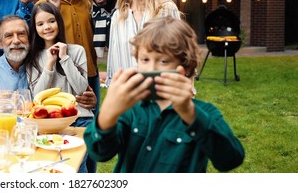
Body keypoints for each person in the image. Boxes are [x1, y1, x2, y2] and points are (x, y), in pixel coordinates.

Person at [84, 16, 245, 172]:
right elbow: (100, 153)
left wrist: (189, 112)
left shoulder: (205, 113)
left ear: (186, 66)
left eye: (163, 61)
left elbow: (230, 160)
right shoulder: (130, 110)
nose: (152, 68)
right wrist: (108, 113)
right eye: (145, 60)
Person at [37, 0, 103, 115]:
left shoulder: (86, 2)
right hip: (66, 73)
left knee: (92, 121)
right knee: (69, 119)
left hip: (91, 72)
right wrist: (54, 11)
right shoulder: (44, 5)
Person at [106, 0, 181, 87]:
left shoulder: (166, 9)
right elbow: (113, 58)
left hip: (159, 89)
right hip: (128, 91)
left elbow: (181, 52)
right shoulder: (118, 15)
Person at [25, 2, 90, 116]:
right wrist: (49, 64)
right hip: (49, 118)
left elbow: (81, 90)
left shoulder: (77, 51)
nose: (47, 27)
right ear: (35, 28)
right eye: (40, 24)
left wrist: (64, 58)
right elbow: (37, 96)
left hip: (79, 116)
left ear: (59, 22)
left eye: (51, 21)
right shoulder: (32, 57)